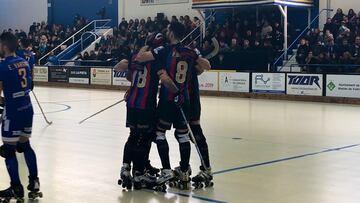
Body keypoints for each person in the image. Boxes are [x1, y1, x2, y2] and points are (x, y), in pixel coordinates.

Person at [136, 22, 211, 190]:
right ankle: (185, 171)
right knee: (183, 136)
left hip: (168, 99)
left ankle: (167, 170)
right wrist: (196, 62)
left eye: (168, 29)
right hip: (185, 99)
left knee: (159, 133)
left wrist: (147, 46)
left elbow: (141, 58)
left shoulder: (165, 50)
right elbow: (206, 66)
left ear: (171, 33)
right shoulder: (191, 51)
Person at [116, 33, 164, 190]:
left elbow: (129, 75)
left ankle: (125, 167)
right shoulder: (156, 59)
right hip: (146, 104)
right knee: (144, 138)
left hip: (132, 103)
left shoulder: (135, 56)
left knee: (133, 135)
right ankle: (138, 172)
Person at [0, 32, 41, 201]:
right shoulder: (24, 61)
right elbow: (28, 86)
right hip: (27, 108)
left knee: (8, 150)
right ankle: (34, 182)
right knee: (25, 145)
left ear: (4, 46)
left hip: (13, 112)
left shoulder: (3, 66)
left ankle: (16, 187)